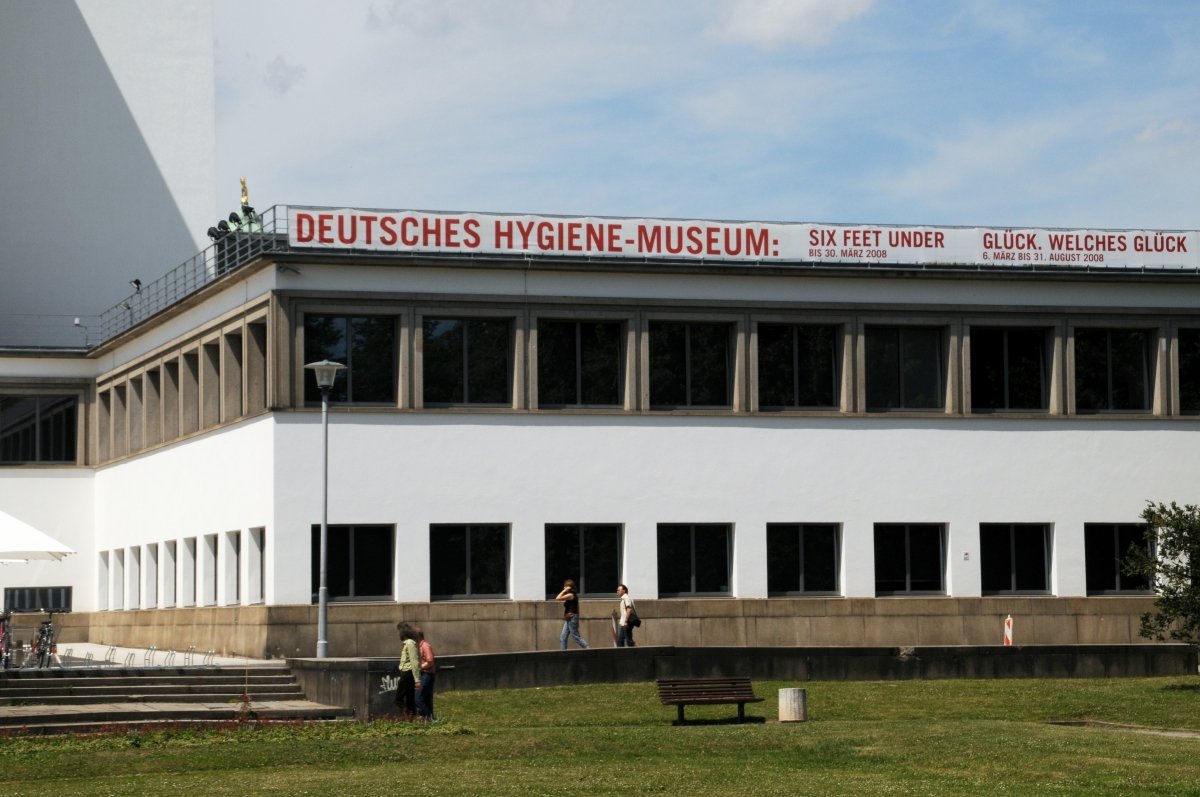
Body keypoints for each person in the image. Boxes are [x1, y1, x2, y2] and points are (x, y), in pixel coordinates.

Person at [395, 622, 419, 720]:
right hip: (406, 672)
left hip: (407, 672)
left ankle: (407, 714)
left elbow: (414, 660)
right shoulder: (407, 643)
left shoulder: (409, 643)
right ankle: (412, 716)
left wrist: (417, 679)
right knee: (410, 698)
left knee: (398, 699)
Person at [555, 578, 588, 650]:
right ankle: (563, 653)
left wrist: (564, 591)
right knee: (563, 637)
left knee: (576, 637)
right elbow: (577, 608)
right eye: (564, 586)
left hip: (572, 618)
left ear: (570, 587)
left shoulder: (571, 595)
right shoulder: (571, 595)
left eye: (565, 586)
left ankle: (588, 648)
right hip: (569, 618)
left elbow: (557, 598)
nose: (564, 587)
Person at [414, 625, 437, 722]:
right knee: (426, 698)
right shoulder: (419, 646)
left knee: (419, 698)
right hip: (424, 674)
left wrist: (418, 668)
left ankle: (427, 717)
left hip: (427, 674)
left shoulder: (425, 646)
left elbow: (430, 661)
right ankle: (429, 718)